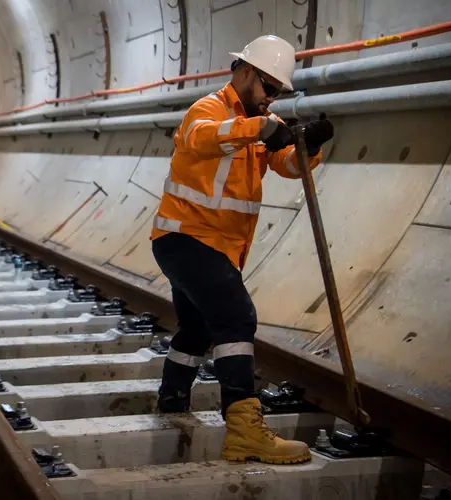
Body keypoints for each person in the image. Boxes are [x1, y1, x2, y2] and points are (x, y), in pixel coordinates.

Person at [150, 35, 335, 464]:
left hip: (211, 246)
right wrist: (261, 128)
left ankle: (172, 399)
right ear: (245, 72)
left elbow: (285, 164)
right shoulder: (211, 110)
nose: (270, 98)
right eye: (267, 87)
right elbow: (200, 138)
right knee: (236, 317)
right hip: (188, 238)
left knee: (196, 330)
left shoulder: (257, 119)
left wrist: (308, 148)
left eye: (276, 93)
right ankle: (244, 429)